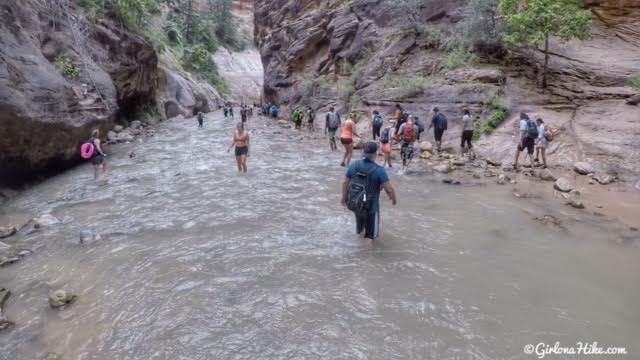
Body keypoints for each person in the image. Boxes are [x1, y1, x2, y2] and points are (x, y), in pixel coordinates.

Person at [342, 142, 397, 245]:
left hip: (355, 203)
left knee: (359, 230)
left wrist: (343, 198)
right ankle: (366, 257)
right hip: (371, 207)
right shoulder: (379, 171)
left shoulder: (354, 165)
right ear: (375, 154)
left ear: (363, 152)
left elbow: (345, 182)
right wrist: (394, 199)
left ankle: (357, 246)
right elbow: (389, 189)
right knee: (370, 236)